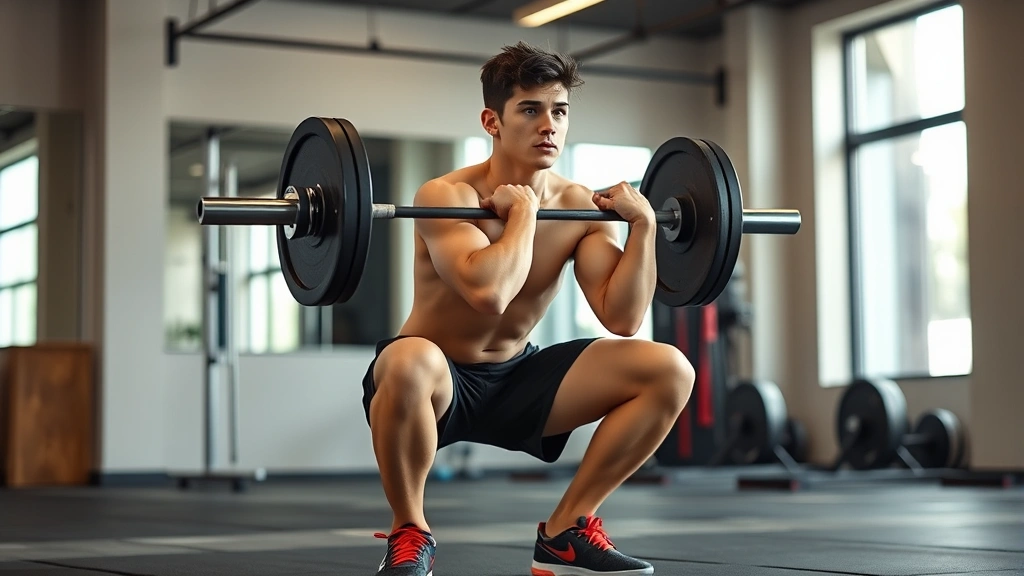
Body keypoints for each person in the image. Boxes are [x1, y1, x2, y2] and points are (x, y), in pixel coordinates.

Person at [361, 41, 695, 576]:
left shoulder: (580, 206)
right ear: (492, 121)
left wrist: (644, 227)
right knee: (405, 360)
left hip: (519, 374)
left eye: (559, 111)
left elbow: (622, 317)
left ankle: (566, 530)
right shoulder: (447, 194)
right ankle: (410, 532)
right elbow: (488, 293)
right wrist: (523, 215)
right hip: (437, 379)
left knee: (668, 369)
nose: (549, 125)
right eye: (531, 109)